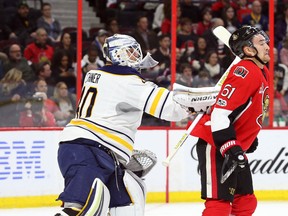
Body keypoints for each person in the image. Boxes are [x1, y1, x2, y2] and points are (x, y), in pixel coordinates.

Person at [55, 34, 209, 216]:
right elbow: (171, 108)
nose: (136, 56)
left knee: (126, 206)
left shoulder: (95, 74)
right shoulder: (128, 82)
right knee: (78, 209)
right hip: (89, 150)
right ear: (116, 54)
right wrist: (205, 101)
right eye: (131, 51)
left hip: (95, 150)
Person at [190, 26, 270, 216]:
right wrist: (229, 145)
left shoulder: (260, 70)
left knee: (246, 202)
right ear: (249, 50)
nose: (267, 46)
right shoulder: (245, 70)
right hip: (216, 143)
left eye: (266, 41)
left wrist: (248, 135)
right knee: (220, 203)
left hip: (233, 145)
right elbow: (220, 113)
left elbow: (245, 108)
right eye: (261, 43)